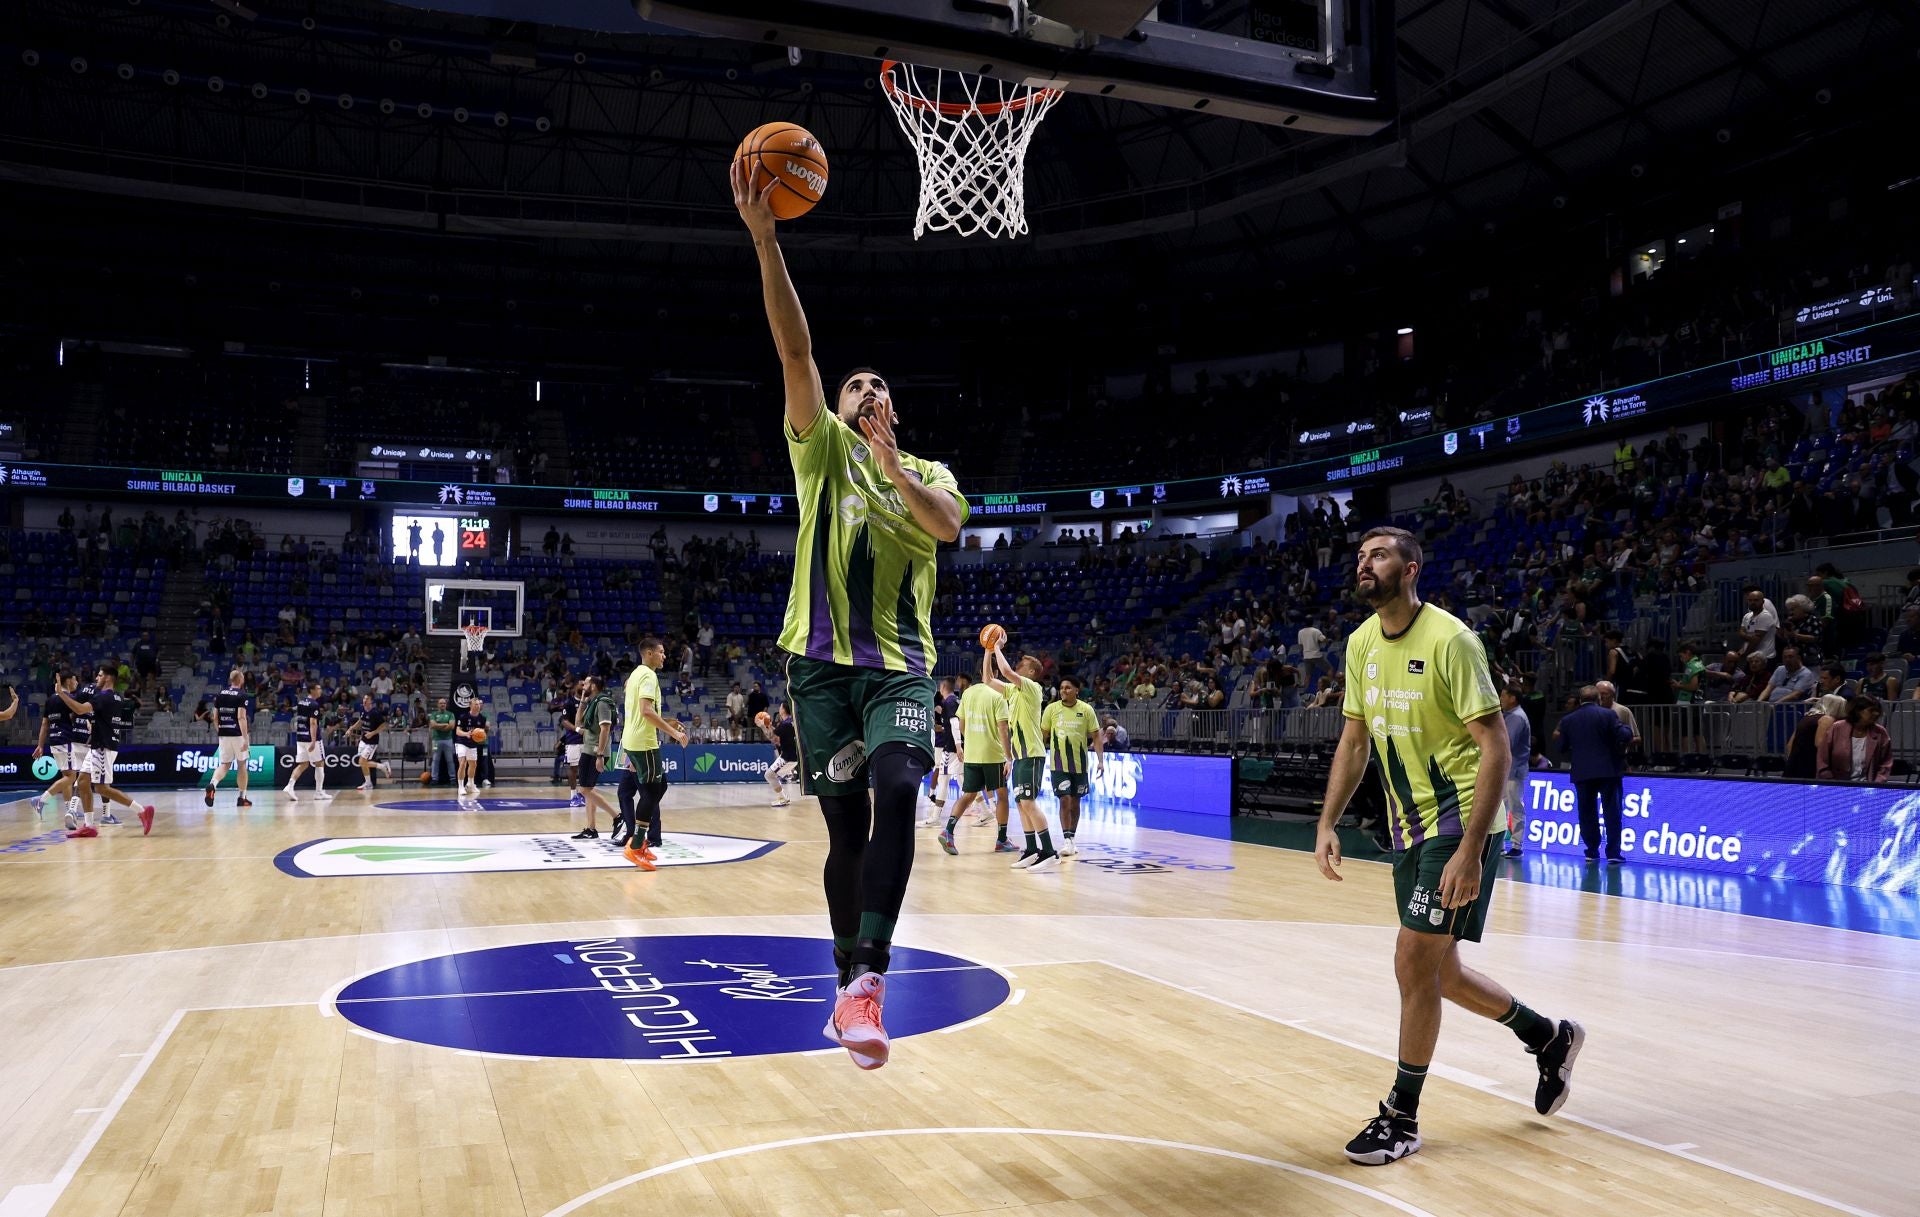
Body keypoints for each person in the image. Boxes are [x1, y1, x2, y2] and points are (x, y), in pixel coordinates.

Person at [737, 155, 969, 1071]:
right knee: (844, 830)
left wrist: (897, 468)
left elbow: (946, 525)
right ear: (836, 409)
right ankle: (845, 982)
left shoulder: (932, 474)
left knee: (900, 789)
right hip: (819, 668)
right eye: (854, 386)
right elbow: (795, 352)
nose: (867, 391)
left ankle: (869, 976)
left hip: (900, 669)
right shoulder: (822, 450)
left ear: (895, 410)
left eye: (879, 386)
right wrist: (767, 241)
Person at [1314, 525, 1581, 1166]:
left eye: (1379, 555)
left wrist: (1470, 851)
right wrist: (1326, 822)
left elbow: (1497, 747)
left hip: (1460, 824)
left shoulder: (1452, 640)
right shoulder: (1360, 642)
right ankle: (1547, 1038)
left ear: (1410, 569)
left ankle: (1400, 1117)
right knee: (1442, 972)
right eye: (1361, 556)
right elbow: (1354, 740)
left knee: (1412, 962)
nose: (1365, 564)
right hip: (1408, 827)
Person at [983, 646, 1060, 872]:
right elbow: (988, 680)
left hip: (1032, 754)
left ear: (1031, 672)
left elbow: (1006, 671)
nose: (1017, 667)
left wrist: (997, 646)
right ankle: (1032, 849)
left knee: (1028, 802)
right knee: (1020, 803)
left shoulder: (1032, 687)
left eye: (1022, 666)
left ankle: (1049, 851)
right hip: (1019, 757)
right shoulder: (1013, 691)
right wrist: (988, 651)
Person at [54, 669, 154, 837]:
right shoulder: (117, 697)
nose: (96, 678)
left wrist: (61, 694)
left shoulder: (103, 697)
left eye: (100, 675)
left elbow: (79, 709)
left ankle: (142, 811)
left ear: (107, 678)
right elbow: (102, 717)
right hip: (100, 744)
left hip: (103, 747)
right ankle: (89, 826)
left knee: (101, 788)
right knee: (83, 782)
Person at [614, 637, 689, 863]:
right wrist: (674, 733)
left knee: (658, 787)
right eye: (661, 652)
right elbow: (646, 711)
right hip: (644, 743)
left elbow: (641, 713)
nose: (664, 656)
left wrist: (667, 722)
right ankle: (636, 845)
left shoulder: (635, 675)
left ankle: (639, 839)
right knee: (650, 793)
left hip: (633, 740)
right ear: (649, 653)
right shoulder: (648, 675)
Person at [1555, 686, 1632, 861]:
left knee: (1586, 813)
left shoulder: (1568, 720)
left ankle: (1591, 850)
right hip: (1608, 771)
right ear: (1598, 699)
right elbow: (1624, 735)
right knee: (1612, 812)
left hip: (1582, 772)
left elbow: (1561, 747)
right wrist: (1626, 730)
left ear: (1580, 700)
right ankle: (1613, 853)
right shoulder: (1608, 715)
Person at [943, 672, 1013, 856]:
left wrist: (973, 740)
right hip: (993, 755)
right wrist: (1009, 757)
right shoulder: (998, 696)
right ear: (994, 674)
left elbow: (962, 725)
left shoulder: (967, 694)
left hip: (972, 754)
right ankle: (1002, 839)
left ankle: (948, 831)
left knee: (968, 795)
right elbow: (1003, 729)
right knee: (1002, 796)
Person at [1040, 674, 1103, 856]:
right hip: (1058, 765)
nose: (1063, 691)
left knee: (1075, 802)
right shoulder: (1051, 709)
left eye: (1067, 688)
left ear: (1076, 690)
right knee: (1065, 799)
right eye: (1061, 688)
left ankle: (1072, 838)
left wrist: (1101, 761)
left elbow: (1096, 736)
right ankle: (1066, 839)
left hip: (1080, 765)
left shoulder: (1086, 710)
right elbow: (1043, 735)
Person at [572, 675, 621, 840]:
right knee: (588, 790)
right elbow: (578, 723)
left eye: (586, 683)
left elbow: (605, 729)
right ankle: (591, 829)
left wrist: (600, 754)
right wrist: (582, 699)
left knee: (584, 790)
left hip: (595, 751)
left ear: (593, 686)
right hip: (589, 749)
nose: (582, 685)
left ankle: (617, 817)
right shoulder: (592, 702)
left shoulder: (602, 703)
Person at [203, 668, 255, 809]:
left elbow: (215, 717)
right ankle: (242, 798)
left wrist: (220, 731)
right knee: (242, 765)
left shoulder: (220, 694)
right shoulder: (242, 695)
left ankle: (213, 784)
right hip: (237, 734)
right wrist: (245, 738)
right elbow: (241, 717)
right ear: (240, 680)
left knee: (224, 765)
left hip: (224, 733)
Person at [1819, 695, 1892, 783]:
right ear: (1858, 711)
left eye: (1877, 711)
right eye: (1872, 710)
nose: (1876, 714)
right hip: (1836, 786)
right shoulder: (1836, 728)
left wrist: (1876, 784)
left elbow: (1885, 763)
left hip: (1870, 786)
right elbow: (1822, 760)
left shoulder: (1881, 732)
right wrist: (1831, 783)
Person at [284, 681, 333, 801]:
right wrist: (313, 740)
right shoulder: (314, 704)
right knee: (320, 763)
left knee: (303, 764)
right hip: (311, 738)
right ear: (312, 690)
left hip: (300, 737)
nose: (320, 691)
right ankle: (319, 792)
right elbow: (313, 723)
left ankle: (290, 786)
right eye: (318, 688)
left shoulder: (301, 702)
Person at [1498, 682, 1532, 858]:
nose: (1500, 699)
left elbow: (1507, 743)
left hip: (1514, 771)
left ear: (1512, 698)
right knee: (1501, 809)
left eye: (1503, 696)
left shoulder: (1517, 717)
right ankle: (1500, 846)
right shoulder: (1508, 715)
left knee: (1515, 808)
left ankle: (1517, 846)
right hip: (1506, 771)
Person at [920, 676, 956, 826]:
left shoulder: (949, 703)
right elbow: (937, 726)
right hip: (944, 744)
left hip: (950, 746)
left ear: (943, 687)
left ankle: (934, 809)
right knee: (941, 772)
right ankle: (932, 794)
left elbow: (954, 724)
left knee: (943, 775)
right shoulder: (941, 704)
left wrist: (958, 743)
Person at [1785, 694, 1847, 780]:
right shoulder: (1827, 719)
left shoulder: (1806, 718)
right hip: (1810, 766)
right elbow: (1820, 744)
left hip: (1795, 764)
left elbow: (1790, 744)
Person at [349, 693, 394, 792]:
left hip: (372, 741)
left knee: (362, 761)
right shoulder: (362, 709)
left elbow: (383, 725)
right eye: (364, 698)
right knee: (362, 763)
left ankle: (371, 781)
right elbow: (361, 721)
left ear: (371, 701)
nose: (365, 700)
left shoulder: (375, 713)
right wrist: (351, 728)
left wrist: (372, 733)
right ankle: (381, 768)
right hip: (364, 740)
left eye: (367, 699)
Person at [762, 704, 800, 807]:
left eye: (780, 707)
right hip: (792, 755)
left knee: (769, 775)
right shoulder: (791, 721)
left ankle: (783, 798)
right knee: (772, 775)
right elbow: (779, 735)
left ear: (783, 710)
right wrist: (770, 726)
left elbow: (773, 738)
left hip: (788, 757)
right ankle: (784, 797)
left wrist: (763, 726)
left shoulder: (785, 724)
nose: (779, 708)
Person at [557, 680, 585, 808]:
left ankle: (583, 794)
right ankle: (573, 795)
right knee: (573, 768)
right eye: (581, 684)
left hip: (587, 741)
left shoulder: (589, 702)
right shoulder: (569, 702)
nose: (583, 686)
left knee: (585, 769)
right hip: (573, 740)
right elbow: (564, 721)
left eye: (585, 684)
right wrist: (577, 729)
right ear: (575, 687)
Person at [454, 696, 486, 802]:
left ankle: (471, 784)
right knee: (462, 763)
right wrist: (466, 734)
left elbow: (480, 733)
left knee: (473, 764)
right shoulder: (463, 716)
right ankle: (460, 787)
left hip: (472, 744)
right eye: (476, 704)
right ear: (470, 705)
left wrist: (481, 737)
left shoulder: (482, 718)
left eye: (479, 704)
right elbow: (457, 731)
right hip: (461, 742)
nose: (478, 706)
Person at [427, 697, 457, 787]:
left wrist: (438, 726)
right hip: (436, 740)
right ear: (438, 705)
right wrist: (445, 725)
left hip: (448, 740)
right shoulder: (434, 714)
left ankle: (452, 778)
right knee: (435, 760)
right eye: (441, 703)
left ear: (446, 705)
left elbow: (452, 726)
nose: (442, 704)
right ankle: (434, 779)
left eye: (444, 703)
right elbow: (433, 725)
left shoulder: (450, 714)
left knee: (450, 760)